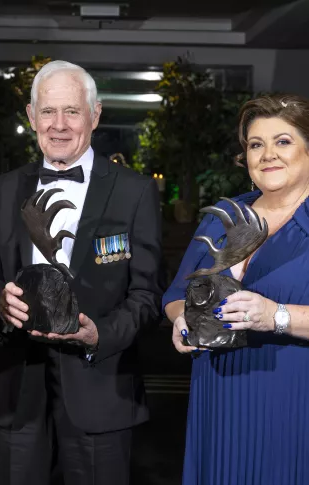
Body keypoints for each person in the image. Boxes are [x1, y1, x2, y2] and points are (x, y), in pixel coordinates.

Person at [0, 60, 163, 485]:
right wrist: (0, 307)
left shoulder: (135, 192)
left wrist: (101, 334)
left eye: (72, 111)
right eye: (48, 111)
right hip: (17, 389)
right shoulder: (4, 190)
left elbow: (147, 295)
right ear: (30, 116)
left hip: (101, 389)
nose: (59, 125)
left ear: (94, 116)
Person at [163, 93, 309, 485]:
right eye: (255, 145)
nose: (267, 155)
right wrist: (180, 320)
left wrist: (275, 315)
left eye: (283, 141)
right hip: (218, 396)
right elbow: (176, 293)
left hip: (292, 401)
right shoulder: (223, 217)